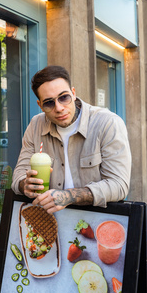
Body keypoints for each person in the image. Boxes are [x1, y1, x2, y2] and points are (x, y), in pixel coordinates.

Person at [11, 65, 131, 214]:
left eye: (64, 98)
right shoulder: (35, 125)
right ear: (40, 105)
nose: (59, 107)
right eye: (49, 102)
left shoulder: (107, 123)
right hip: (50, 220)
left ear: (73, 93)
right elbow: (18, 176)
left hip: (95, 219)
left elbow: (119, 185)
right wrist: (25, 184)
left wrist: (68, 196)